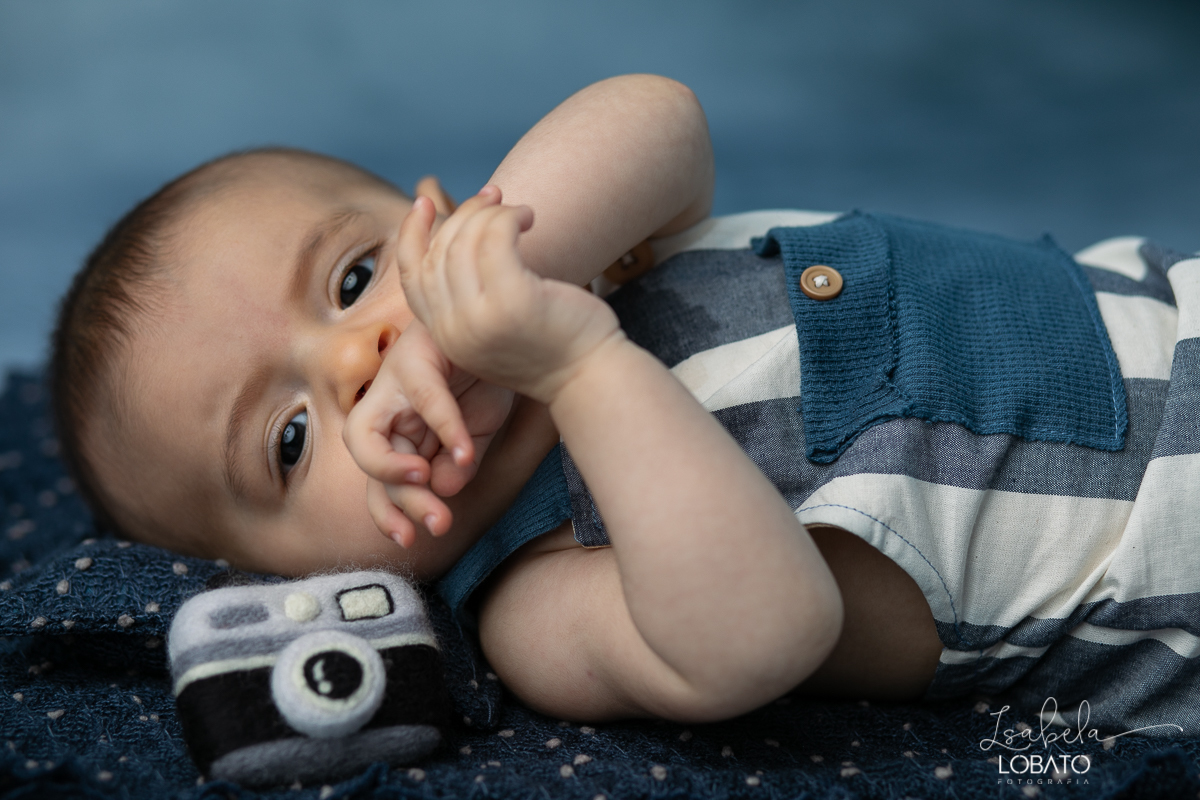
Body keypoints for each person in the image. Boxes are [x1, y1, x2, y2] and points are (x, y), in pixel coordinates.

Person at [50, 74, 1197, 733]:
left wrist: (516, 259)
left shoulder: (587, 246)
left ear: (437, 213)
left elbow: (660, 115)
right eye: (291, 437)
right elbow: (762, 633)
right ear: (303, 577)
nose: (360, 353)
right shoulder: (534, 599)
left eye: (355, 278)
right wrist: (579, 370)